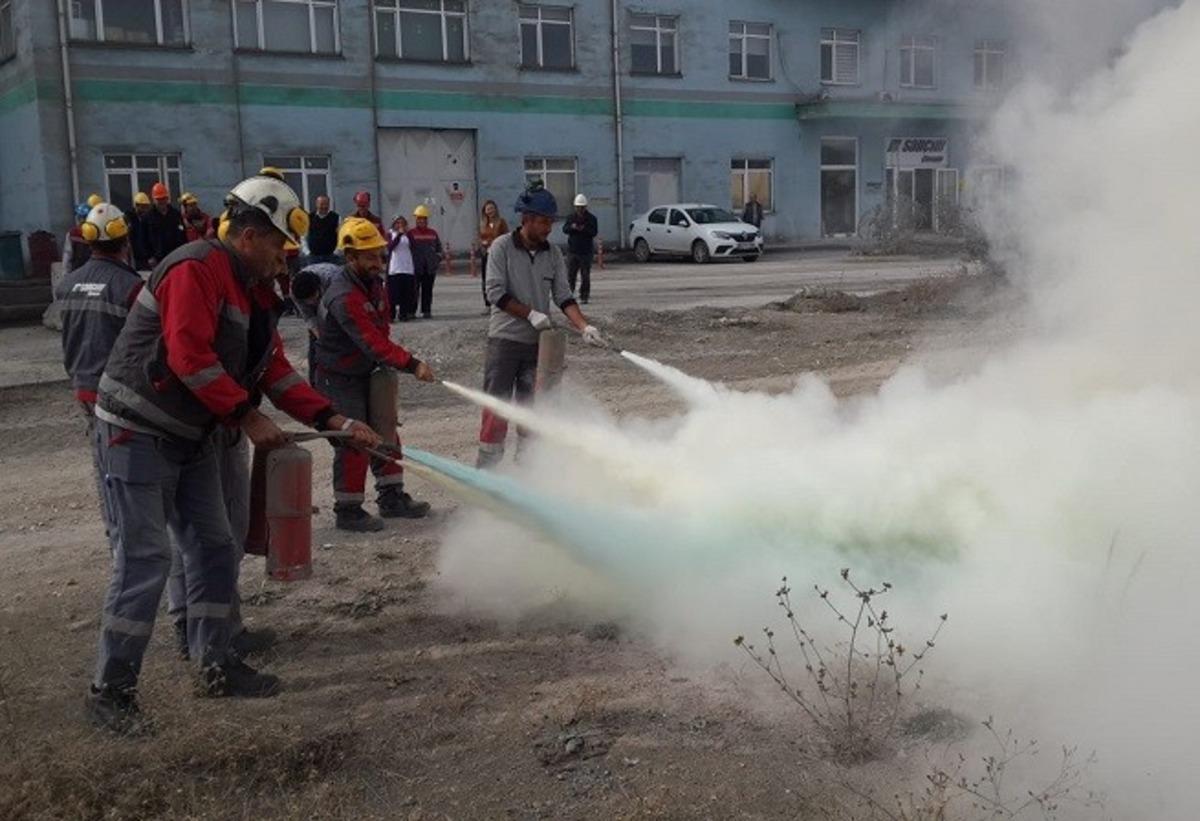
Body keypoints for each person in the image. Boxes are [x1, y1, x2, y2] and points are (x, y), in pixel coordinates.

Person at [87, 175, 380, 734]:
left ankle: (215, 663)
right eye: (277, 244)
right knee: (147, 558)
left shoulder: (254, 291)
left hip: (193, 434)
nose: (284, 257)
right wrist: (247, 416)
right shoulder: (194, 269)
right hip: (137, 431)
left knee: (217, 546)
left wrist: (332, 420)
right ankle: (111, 690)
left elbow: (271, 369)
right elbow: (188, 356)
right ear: (248, 235)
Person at [313, 217, 435, 532]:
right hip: (338, 376)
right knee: (354, 437)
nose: (378, 262)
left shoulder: (373, 283)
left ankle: (392, 496)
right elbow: (371, 341)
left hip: (367, 370)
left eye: (380, 255)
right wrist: (411, 363)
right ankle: (348, 509)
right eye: (369, 256)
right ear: (350, 257)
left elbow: (382, 328)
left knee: (385, 430)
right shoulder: (343, 296)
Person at [477, 181, 606, 468]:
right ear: (526, 220)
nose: (549, 228)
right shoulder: (501, 248)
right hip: (504, 341)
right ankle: (485, 477)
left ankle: (527, 475)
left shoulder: (553, 254)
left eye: (551, 222)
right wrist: (531, 314)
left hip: (538, 346)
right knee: (496, 409)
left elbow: (564, 296)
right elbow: (495, 293)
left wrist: (584, 326)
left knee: (533, 411)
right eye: (544, 222)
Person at [54, 202, 143, 549]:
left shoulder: (68, 285)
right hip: (120, 392)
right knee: (129, 467)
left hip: (83, 386)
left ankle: (114, 531)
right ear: (126, 240)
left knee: (102, 461)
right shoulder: (131, 287)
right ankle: (130, 539)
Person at [562, 194, 599, 304]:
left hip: (586, 252)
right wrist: (572, 227)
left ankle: (584, 296)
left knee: (585, 275)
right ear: (575, 207)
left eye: (582, 207)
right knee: (570, 275)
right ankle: (569, 296)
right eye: (578, 207)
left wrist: (583, 229)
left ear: (585, 207)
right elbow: (565, 229)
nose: (580, 209)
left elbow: (594, 232)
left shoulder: (591, 219)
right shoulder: (570, 217)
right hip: (572, 251)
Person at [407, 205, 442, 319]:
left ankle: (426, 310)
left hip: (429, 268)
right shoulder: (411, 233)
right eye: (419, 218)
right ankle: (411, 311)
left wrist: (436, 260)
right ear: (416, 219)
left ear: (427, 220)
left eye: (423, 218)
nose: (421, 220)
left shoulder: (433, 233)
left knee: (427, 290)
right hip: (416, 267)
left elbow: (438, 248)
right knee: (413, 290)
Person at [144, 181, 187, 266]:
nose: (161, 201)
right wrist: (149, 257)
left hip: (176, 256)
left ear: (167, 198)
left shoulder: (175, 215)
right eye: (158, 199)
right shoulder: (148, 218)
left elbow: (183, 235)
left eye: (163, 198)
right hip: (157, 260)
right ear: (153, 200)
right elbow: (143, 239)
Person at [477, 200, 508, 311]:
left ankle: (500, 302)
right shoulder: (482, 223)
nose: (490, 211)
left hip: (498, 253)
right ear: (484, 211)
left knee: (499, 278)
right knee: (486, 279)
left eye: (492, 208)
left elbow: (506, 237)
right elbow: (479, 237)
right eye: (488, 209)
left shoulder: (501, 222)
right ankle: (487, 304)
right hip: (486, 253)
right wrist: (482, 244)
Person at [386, 215, 416, 321]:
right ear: (394, 224)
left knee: (406, 292)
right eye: (398, 223)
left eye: (402, 223)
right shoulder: (391, 234)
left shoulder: (408, 235)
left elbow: (413, 246)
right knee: (393, 293)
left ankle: (403, 314)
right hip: (395, 267)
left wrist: (408, 234)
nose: (400, 225)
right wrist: (398, 235)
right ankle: (391, 314)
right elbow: (390, 247)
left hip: (407, 267)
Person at [307, 194, 339, 264]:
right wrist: (306, 251)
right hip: (313, 257)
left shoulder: (336, 217)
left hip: (330, 257)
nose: (324, 206)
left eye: (326, 204)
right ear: (316, 204)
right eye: (321, 204)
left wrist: (336, 251)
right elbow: (303, 235)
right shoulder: (309, 217)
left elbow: (340, 235)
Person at [62, 202, 93, 273]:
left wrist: (66, 274)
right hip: (91, 271)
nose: (81, 220)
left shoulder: (72, 233)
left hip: (78, 271)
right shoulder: (97, 233)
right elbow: (67, 255)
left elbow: (67, 255)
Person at [127, 192, 154, 270]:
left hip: (146, 256)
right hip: (134, 256)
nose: (145, 209)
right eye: (143, 207)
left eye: (146, 207)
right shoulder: (129, 218)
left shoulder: (147, 219)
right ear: (136, 205)